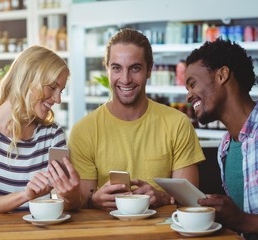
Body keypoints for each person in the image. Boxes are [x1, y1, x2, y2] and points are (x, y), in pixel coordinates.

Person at [68, 28, 205, 211]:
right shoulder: (84, 131)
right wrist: (93, 201)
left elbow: (190, 201)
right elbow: (81, 203)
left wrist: (163, 197)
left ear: (149, 69)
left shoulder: (177, 124)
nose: (125, 79)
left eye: (135, 68)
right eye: (116, 68)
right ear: (107, 69)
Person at [184, 38, 258, 239]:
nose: (189, 95)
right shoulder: (225, 148)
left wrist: (244, 220)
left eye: (192, 84)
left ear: (222, 75)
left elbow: (243, 221)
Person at [0, 45, 81, 214]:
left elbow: (65, 204)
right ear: (27, 81)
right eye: (52, 87)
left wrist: (71, 195)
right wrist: (25, 195)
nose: (58, 99)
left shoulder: (52, 134)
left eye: (61, 90)